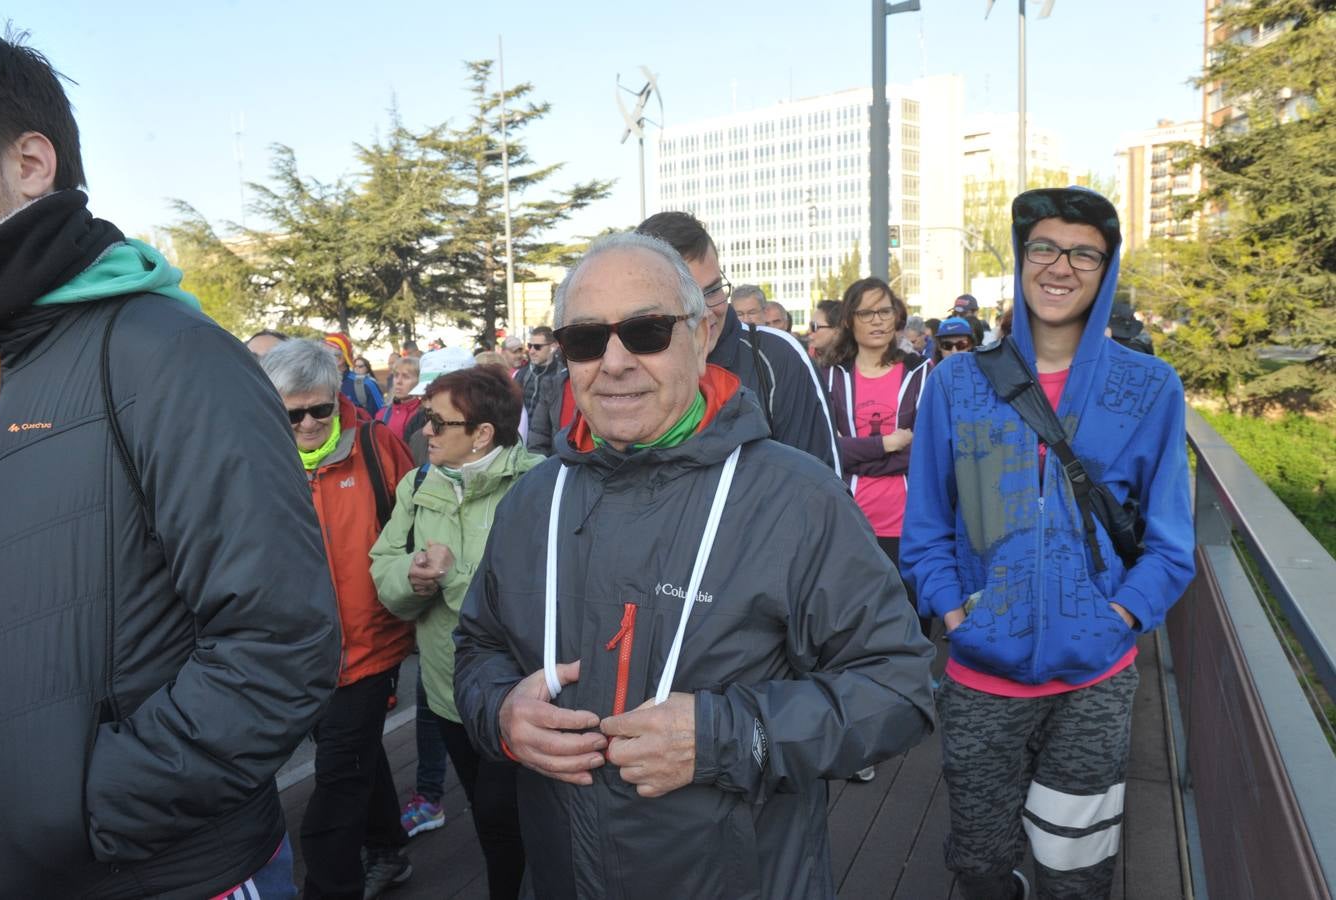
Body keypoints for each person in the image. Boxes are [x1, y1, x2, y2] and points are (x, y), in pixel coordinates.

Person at [453, 232, 936, 899]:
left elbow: (900, 686)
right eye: (587, 340)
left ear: (703, 334)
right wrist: (500, 710)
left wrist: (728, 736)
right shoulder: (534, 499)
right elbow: (477, 645)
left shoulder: (793, 497)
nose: (614, 362)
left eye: (647, 331)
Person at [0, 30, 339, 899]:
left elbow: (279, 643)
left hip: (160, 873)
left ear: (31, 162)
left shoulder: (169, 353)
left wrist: (77, 811)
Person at [901, 186, 1195, 900]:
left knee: (1077, 869)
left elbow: (1170, 543)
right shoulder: (957, 384)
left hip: (1093, 680)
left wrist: (1116, 618)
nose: (1060, 266)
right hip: (978, 674)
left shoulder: (1150, 387)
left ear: (1107, 267)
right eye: (1044, 247)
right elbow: (928, 529)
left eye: (1083, 252)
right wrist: (954, 613)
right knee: (977, 862)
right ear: (1021, 257)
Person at [372, 366, 541, 899]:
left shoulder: (539, 483)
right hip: (446, 691)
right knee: (486, 812)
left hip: (516, 691)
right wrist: (412, 578)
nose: (426, 430)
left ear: (482, 433)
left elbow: (534, 599)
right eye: (425, 418)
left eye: (439, 422)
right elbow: (383, 569)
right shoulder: (418, 482)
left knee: (501, 813)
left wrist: (451, 576)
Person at [260, 340, 417, 900]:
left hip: (368, 647)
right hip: (298, 654)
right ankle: (389, 848)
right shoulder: (259, 458)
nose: (307, 423)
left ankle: (330, 887)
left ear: (336, 399)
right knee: (355, 756)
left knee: (335, 786)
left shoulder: (376, 445)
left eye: (319, 410)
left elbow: (417, 523)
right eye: (292, 412)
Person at [636, 211, 841, 474]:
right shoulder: (619, 366)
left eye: (712, 290)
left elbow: (822, 484)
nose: (706, 312)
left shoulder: (777, 357)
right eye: (685, 299)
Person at [819, 277, 932, 701]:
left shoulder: (919, 372)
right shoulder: (830, 376)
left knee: (911, 612)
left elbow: (925, 447)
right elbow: (826, 447)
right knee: (856, 617)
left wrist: (860, 452)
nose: (878, 321)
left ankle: (914, 692)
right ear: (850, 320)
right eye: (867, 312)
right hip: (850, 517)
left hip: (907, 518)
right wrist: (885, 443)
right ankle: (865, 695)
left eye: (884, 310)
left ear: (897, 314)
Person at [325, 331, 385, 417]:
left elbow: (383, 419)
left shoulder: (366, 384)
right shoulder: (319, 386)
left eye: (323, 355)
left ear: (340, 359)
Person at [514, 324, 565, 420]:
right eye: (530, 346)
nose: (532, 351)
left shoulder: (562, 376)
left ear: (553, 347)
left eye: (537, 347)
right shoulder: (522, 374)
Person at [377, 355, 422, 439]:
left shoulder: (426, 414)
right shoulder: (383, 414)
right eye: (396, 375)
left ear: (419, 381)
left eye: (406, 377)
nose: (398, 381)